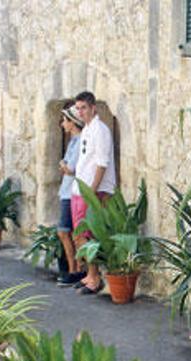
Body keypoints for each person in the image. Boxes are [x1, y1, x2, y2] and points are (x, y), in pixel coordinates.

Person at [71, 91, 117, 294]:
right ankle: (89, 274)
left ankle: (95, 278)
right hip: (79, 188)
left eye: (83, 108)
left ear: (93, 108)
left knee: (89, 234)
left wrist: (92, 191)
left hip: (93, 189)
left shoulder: (100, 130)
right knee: (80, 234)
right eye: (78, 108)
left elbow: (102, 162)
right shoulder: (87, 130)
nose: (80, 112)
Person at [56, 104, 85, 286]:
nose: (62, 124)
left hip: (71, 191)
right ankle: (75, 268)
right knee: (70, 232)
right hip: (67, 190)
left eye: (65, 120)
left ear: (73, 123)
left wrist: (63, 165)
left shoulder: (79, 141)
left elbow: (70, 168)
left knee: (64, 231)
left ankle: (75, 269)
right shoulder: (74, 142)